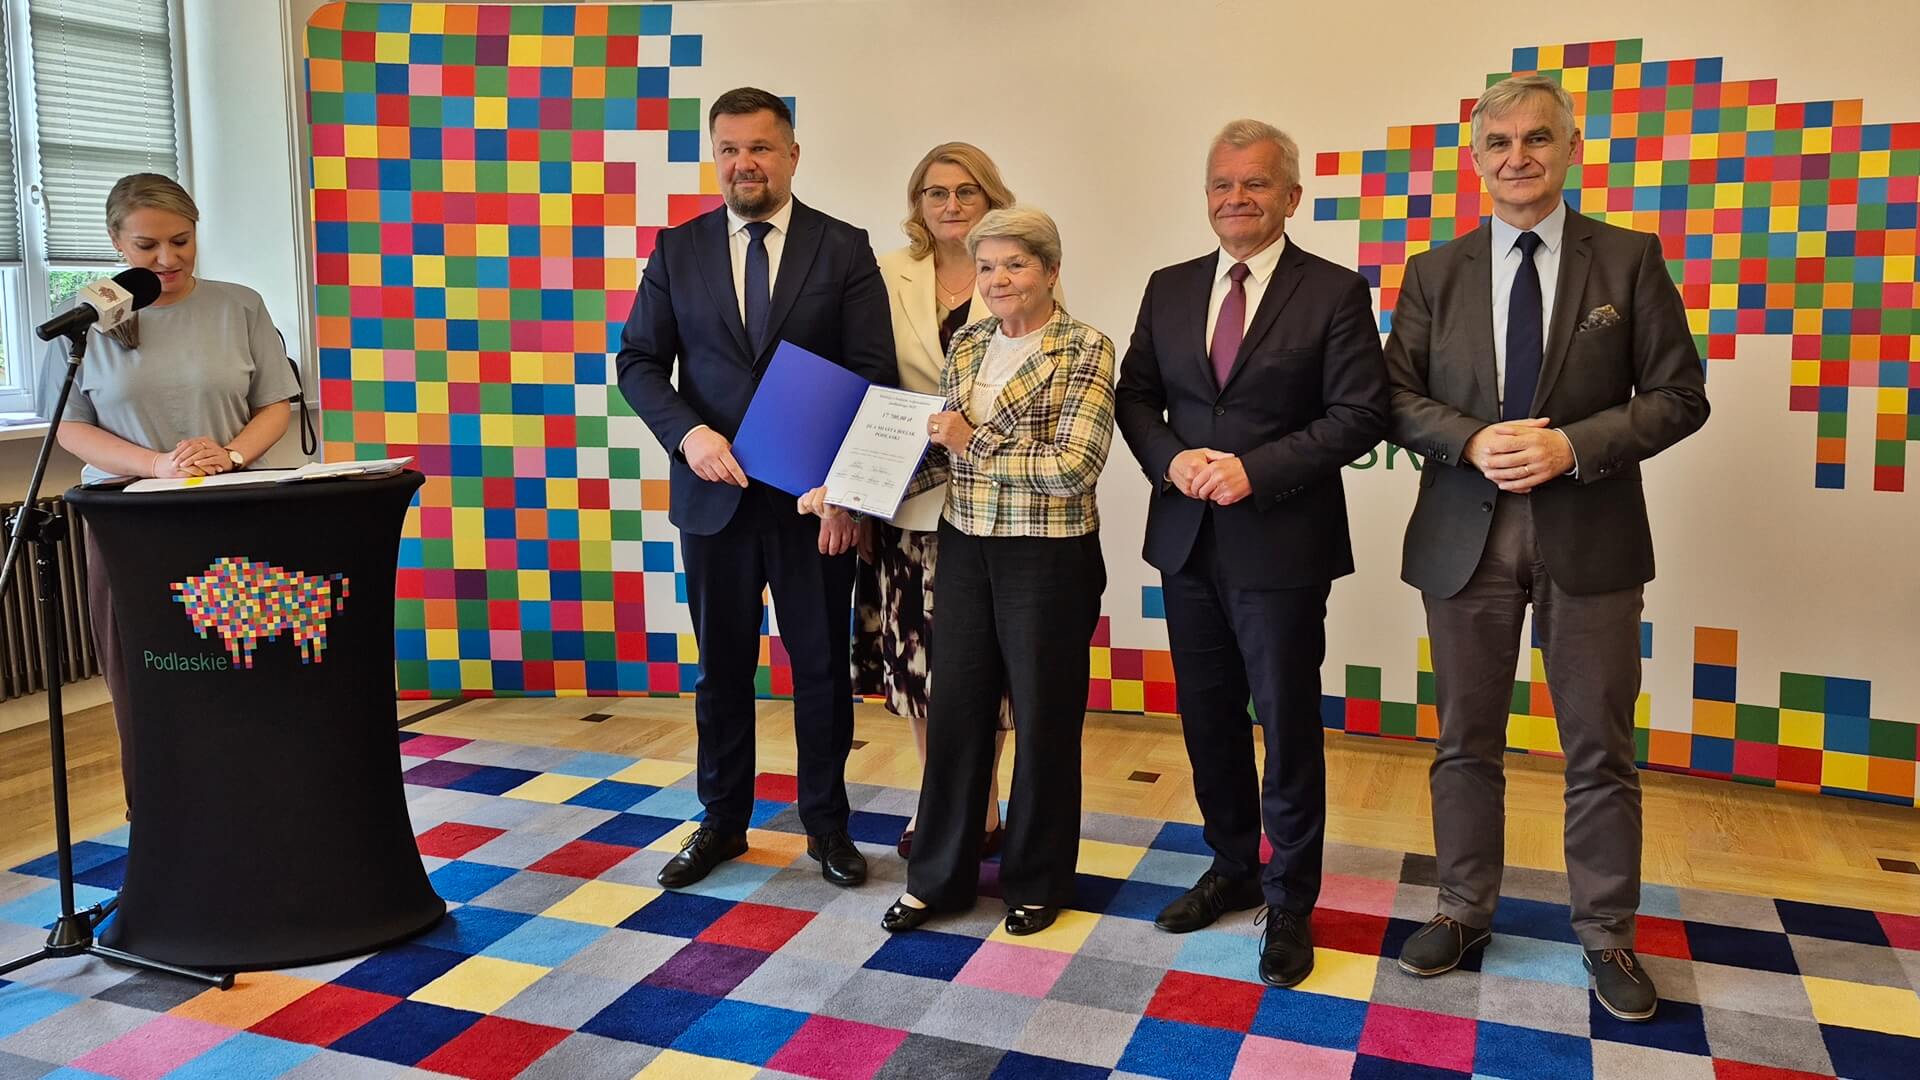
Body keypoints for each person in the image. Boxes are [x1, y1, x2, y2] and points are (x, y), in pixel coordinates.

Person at [1383, 75, 1709, 1021]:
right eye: (1499, 143)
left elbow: (1679, 395)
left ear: (1572, 148)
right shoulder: (1433, 271)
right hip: (1464, 538)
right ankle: (1461, 909)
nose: (1517, 157)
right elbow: (1392, 397)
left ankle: (1606, 935)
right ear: (1475, 160)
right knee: (1464, 742)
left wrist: (1573, 445)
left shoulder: (1630, 259)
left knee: (1599, 749)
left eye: (1536, 138)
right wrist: (1469, 439)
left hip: (1591, 533)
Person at [1114, 121, 1388, 987]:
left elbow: (1360, 413)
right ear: (1207, 195)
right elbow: (1135, 397)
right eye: (1223, 183)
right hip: (1186, 539)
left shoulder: (1334, 291)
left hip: (1282, 543)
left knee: (1286, 722)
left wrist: (1253, 470)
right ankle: (1232, 864)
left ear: (1291, 197)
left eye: (1257, 183)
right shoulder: (1168, 287)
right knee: (1208, 719)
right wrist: (1171, 460)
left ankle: (1290, 899)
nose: (1237, 197)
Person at [802, 206, 1111, 936]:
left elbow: (1074, 467)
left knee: (1042, 720)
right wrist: (850, 490)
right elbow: (937, 456)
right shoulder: (969, 344)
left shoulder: (1085, 347)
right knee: (955, 714)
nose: (998, 279)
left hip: (1048, 554)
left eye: (1015, 264)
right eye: (988, 266)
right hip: (964, 545)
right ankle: (938, 878)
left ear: (1051, 271)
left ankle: (1036, 880)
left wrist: (974, 441)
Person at [617, 87, 896, 891]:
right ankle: (722, 822)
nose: (745, 163)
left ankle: (828, 827)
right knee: (722, 672)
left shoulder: (843, 248)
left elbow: (872, 374)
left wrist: (846, 493)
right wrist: (689, 434)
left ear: (793, 155)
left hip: (814, 509)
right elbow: (638, 361)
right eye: (730, 149)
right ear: (716, 157)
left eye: (761, 148)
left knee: (821, 671)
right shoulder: (677, 249)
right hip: (713, 500)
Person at [41, 172, 300, 813]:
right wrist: (156, 464)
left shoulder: (240, 306)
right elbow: (70, 427)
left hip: (230, 510)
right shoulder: (84, 321)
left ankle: (256, 799)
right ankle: (158, 810)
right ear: (116, 242)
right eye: (147, 245)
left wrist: (231, 454)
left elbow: (275, 404)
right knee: (145, 672)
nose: (168, 259)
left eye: (181, 241)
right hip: (129, 524)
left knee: (244, 660)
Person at [865, 142, 1042, 858]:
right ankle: (935, 799)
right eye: (935, 192)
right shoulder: (886, 273)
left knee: (984, 662)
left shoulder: (1018, 267)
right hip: (907, 498)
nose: (951, 205)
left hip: (992, 495)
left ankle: (984, 801)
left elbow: (1040, 380)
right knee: (918, 659)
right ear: (918, 203)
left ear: (991, 198)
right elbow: (867, 376)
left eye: (967, 191)